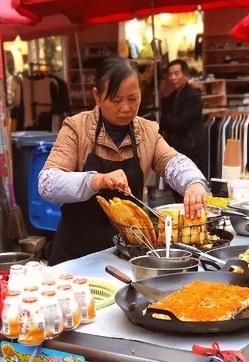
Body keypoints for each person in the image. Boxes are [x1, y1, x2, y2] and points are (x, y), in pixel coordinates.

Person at [38, 56, 208, 265]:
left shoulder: (147, 131)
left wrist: (194, 183)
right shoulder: (77, 128)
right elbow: (47, 183)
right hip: (75, 256)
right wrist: (95, 180)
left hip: (127, 255)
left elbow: (174, 162)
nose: (126, 108)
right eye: (116, 100)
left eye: (133, 98)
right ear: (97, 96)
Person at [160, 59, 204, 202]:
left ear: (185, 74)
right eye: (170, 74)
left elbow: (182, 122)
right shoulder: (171, 97)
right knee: (176, 187)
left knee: (189, 185)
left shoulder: (193, 96)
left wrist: (166, 121)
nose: (172, 77)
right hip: (176, 147)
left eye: (176, 73)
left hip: (190, 147)